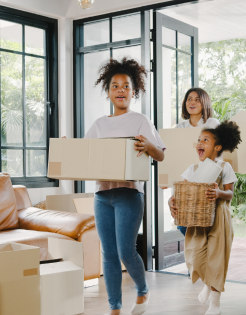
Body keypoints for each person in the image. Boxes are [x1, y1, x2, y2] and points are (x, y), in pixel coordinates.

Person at [84, 57, 166, 315]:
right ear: (108, 92)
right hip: (102, 195)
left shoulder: (140, 120)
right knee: (108, 254)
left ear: (134, 91)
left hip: (129, 195)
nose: (121, 90)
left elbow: (160, 154)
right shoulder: (99, 124)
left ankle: (142, 289)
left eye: (126, 86)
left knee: (125, 251)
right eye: (115, 86)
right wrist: (68, 146)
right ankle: (114, 307)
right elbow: (84, 154)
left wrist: (148, 146)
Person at [168, 121, 242, 315]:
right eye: (199, 140)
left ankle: (215, 304)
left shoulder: (224, 167)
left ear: (217, 147)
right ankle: (207, 284)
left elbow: (230, 194)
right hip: (196, 219)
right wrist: (171, 201)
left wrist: (219, 193)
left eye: (205, 140)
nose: (199, 143)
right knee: (194, 255)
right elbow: (180, 191)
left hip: (219, 218)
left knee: (217, 258)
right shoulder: (192, 169)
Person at [170, 88, 220, 237]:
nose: (192, 102)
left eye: (197, 99)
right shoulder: (180, 127)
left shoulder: (212, 123)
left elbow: (218, 153)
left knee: (202, 226)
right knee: (183, 224)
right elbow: (175, 158)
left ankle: (200, 259)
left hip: (205, 180)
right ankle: (194, 259)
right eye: (189, 99)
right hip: (185, 182)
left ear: (205, 103)